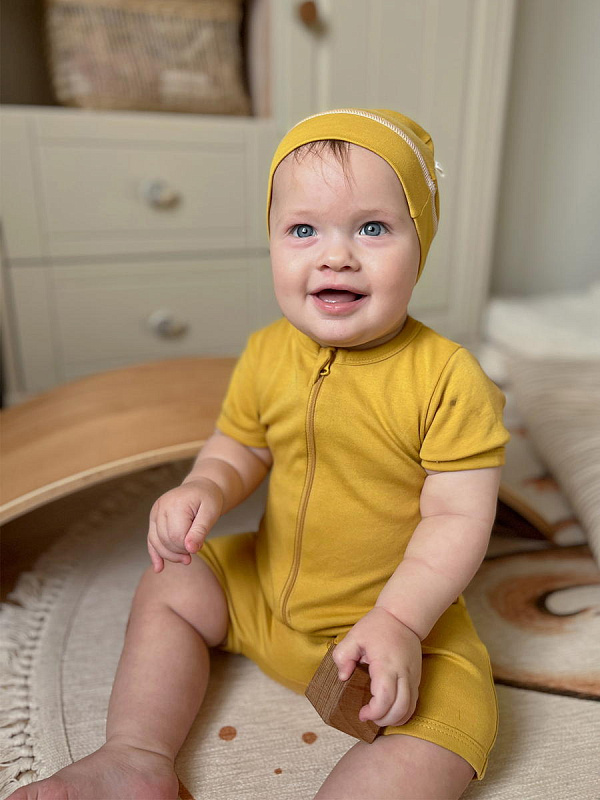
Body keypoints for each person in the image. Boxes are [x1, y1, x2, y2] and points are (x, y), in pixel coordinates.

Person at [11, 108, 509, 800]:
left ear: (419, 244)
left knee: (454, 727)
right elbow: (240, 444)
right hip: (266, 598)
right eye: (304, 230)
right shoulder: (268, 351)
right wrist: (204, 487)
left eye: (372, 228)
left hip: (394, 628)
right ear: (272, 240)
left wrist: (400, 619)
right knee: (171, 584)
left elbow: (458, 517)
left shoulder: (448, 379)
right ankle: (135, 755)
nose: (335, 256)